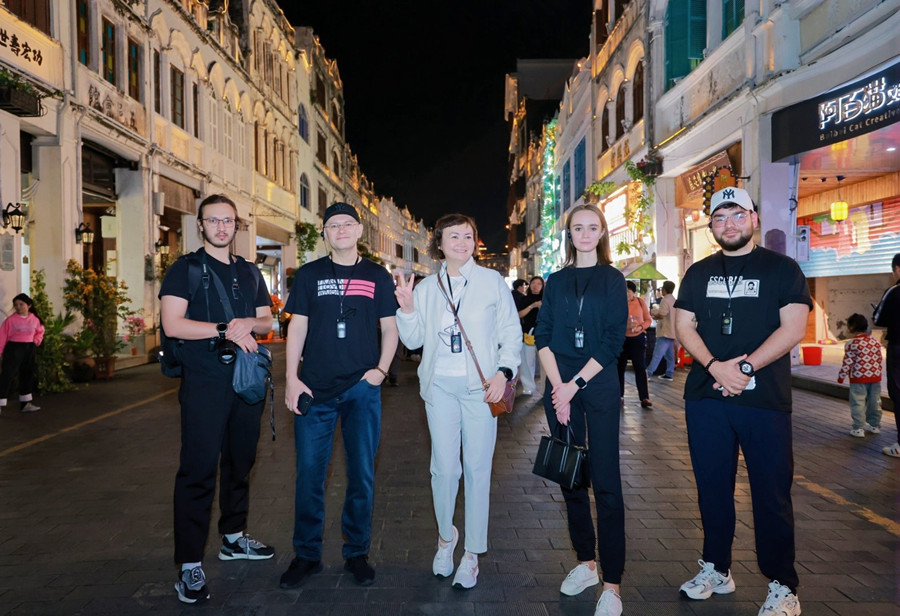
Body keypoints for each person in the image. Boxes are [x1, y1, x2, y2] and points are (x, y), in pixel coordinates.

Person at [673, 186, 812, 616]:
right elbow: (683, 325)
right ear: (711, 226)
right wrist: (716, 367)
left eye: (737, 215)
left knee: (771, 493)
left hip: (764, 400)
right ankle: (716, 568)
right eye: (720, 218)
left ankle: (783, 586)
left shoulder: (782, 269)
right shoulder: (698, 272)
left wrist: (746, 368)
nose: (729, 224)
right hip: (707, 397)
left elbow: (794, 328)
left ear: (754, 218)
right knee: (712, 489)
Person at [395, 213, 521, 590]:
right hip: (439, 388)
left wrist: (504, 372)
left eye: (468, 236)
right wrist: (407, 309)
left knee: (478, 469)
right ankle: (445, 538)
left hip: (482, 389)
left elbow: (510, 331)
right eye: (454, 236)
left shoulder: (491, 281)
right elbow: (413, 341)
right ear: (439, 243)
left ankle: (472, 553)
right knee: (445, 470)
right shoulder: (427, 287)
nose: (462, 243)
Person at [159, 194, 275, 604]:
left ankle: (233, 536)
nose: (222, 227)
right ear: (201, 226)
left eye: (228, 221)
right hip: (205, 383)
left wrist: (247, 323)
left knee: (241, 461)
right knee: (199, 468)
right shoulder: (185, 269)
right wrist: (225, 328)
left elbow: (267, 319)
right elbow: (173, 324)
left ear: (236, 226)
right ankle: (190, 563)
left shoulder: (249, 270)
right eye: (213, 220)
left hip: (246, 380)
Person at [281, 202, 399, 589]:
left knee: (361, 474)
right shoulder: (310, 274)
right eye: (333, 225)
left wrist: (380, 372)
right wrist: (291, 378)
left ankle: (357, 552)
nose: (341, 230)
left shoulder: (377, 275)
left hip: (361, 390)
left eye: (348, 224)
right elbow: (297, 327)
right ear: (325, 233)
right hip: (314, 389)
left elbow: (390, 328)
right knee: (309, 476)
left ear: (359, 230)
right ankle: (306, 555)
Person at [535, 204, 627, 616]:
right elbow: (543, 335)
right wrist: (559, 388)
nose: (585, 234)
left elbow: (612, 341)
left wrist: (574, 386)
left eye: (592, 227)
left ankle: (612, 583)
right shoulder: (556, 280)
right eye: (578, 228)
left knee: (606, 482)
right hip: (560, 386)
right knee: (570, 477)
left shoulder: (612, 279)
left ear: (602, 233)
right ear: (569, 234)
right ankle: (586, 563)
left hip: (597, 384)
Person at [837, 313, 882, 438]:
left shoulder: (852, 344)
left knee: (858, 402)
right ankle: (874, 425)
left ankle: (858, 428)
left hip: (858, 379)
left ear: (851, 327)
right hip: (875, 378)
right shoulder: (875, 342)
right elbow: (878, 359)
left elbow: (847, 362)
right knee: (875, 401)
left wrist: (841, 376)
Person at [873, 252, 900, 458]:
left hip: (898, 348)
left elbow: (878, 318)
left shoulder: (894, 291)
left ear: (897, 269)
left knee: (898, 392)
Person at [0, 293, 45, 414]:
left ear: (29, 305)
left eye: (21, 304)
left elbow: (40, 331)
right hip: (14, 348)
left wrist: (36, 341)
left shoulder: (35, 320)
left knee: (27, 374)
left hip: (29, 348)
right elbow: (2, 336)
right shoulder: (10, 320)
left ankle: (26, 404)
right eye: (16, 305)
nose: (18, 307)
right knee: (7, 375)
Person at [616, 280, 652, 408]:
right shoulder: (618, 303)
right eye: (624, 291)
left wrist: (640, 327)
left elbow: (648, 320)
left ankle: (644, 397)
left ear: (633, 292)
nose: (626, 294)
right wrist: (624, 326)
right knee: (620, 367)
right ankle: (619, 395)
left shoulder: (640, 302)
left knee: (640, 367)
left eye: (628, 291)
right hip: (622, 339)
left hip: (637, 338)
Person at [515, 276, 544, 396]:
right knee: (527, 362)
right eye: (533, 283)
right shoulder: (524, 299)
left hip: (543, 335)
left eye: (539, 284)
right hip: (528, 334)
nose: (535, 286)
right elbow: (519, 314)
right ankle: (528, 387)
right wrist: (532, 306)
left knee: (545, 364)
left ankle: (545, 389)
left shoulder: (547, 299)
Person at [647, 280, 677, 381]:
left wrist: (654, 314)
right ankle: (669, 373)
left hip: (664, 331)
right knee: (669, 355)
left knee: (657, 354)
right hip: (672, 331)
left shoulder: (665, 300)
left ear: (664, 289)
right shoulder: (673, 300)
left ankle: (648, 373)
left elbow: (662, 314)